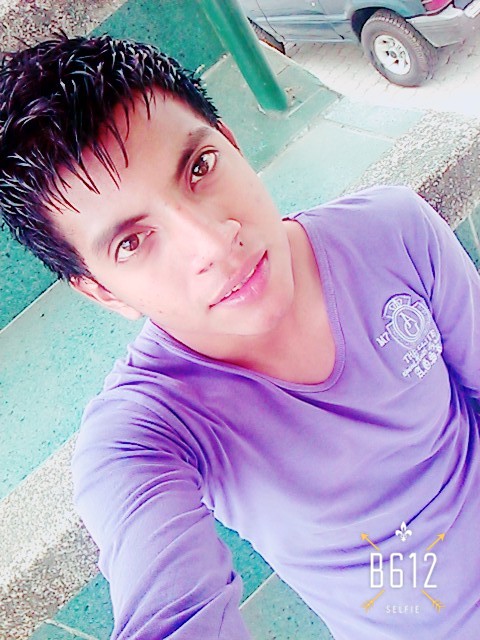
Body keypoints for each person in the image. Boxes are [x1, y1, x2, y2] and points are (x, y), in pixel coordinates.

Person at [0, 34, 479, 640]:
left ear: (231, 142)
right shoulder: (145, 434)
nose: (212, 243)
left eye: (199, 168)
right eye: (133, 242)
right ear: (102, 292)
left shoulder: (393, 233)